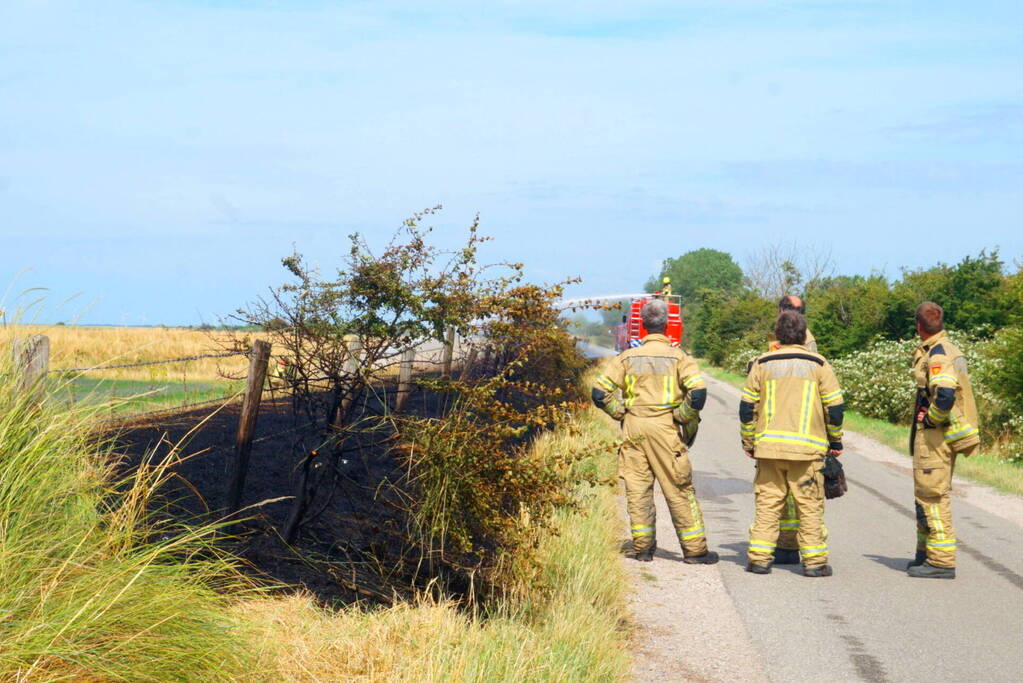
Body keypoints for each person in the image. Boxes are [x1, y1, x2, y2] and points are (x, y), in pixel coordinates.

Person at [591, 299, 718, 564]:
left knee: (638, 491)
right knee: (678, 488)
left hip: (634, 429)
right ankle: (694, 551)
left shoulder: (626, 357)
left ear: (643, 326)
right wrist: (681, 416)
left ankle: (643, 549)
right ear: (667, 324)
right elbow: (697, 393)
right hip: (665, 429)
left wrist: (620, 412)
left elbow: (599, 392)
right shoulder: (679, 357)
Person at [740, 310, 844, 577]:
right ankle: (815, 564)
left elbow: (746, 407)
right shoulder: (820, 364)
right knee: (809, 507)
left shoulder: (761, 364)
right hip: (807, 452)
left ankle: (759, 560)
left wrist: (749, 441)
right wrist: (835, 440)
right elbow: (835, 408)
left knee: (767, 505)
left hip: (769, 450)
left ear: (777, 335)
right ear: (803, 334)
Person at [907, 302, 980, 579]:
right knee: (925, 493)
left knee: (933, 496)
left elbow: (945, 395)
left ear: (918, 326)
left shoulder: (938, 354)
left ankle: (941, 561)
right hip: (941, 437)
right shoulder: (948, 348)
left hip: (937, 438)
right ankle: (925, 554)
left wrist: (930, 419)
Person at [767, 295, 818, 564]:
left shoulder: (803, 340)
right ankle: (786, 545)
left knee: (796, 495)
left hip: (794, 426)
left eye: (796, 310)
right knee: (785, 493)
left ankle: (791, 547)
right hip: (782, 423)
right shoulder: (784, 335)